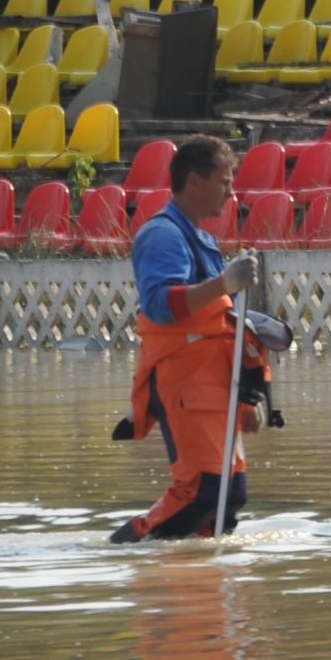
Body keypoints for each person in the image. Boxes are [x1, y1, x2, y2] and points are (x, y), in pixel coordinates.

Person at [110, 137, 266, 542]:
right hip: (183, 380)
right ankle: (120, 554)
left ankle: (199, 588)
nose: (232, 192)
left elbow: (223, 324)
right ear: (194, 181)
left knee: (229, 499)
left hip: (214, 383)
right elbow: (161, 303)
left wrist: (246, 396)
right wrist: (224, 283)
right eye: (224, 182)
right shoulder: (162, 235)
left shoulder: (201, 239)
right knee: (202, 492)